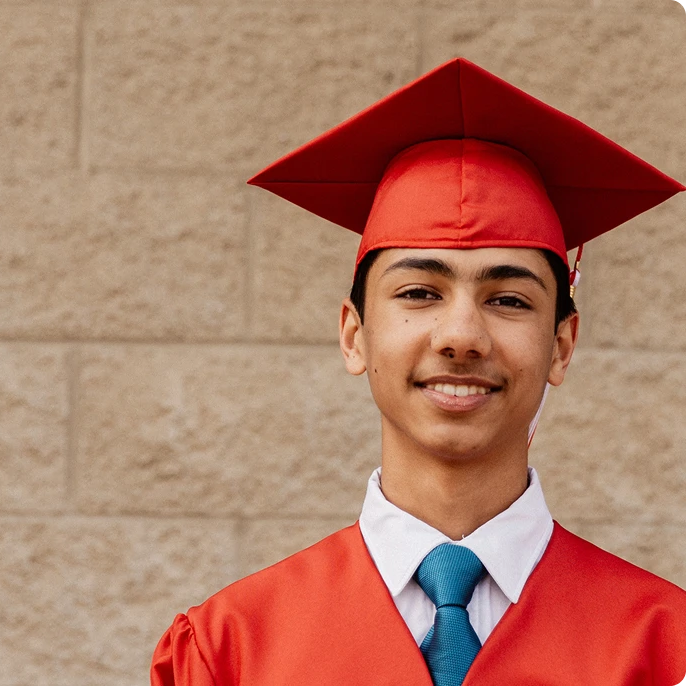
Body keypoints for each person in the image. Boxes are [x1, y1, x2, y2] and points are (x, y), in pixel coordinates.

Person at [150, 57, 686, 685]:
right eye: (419, 293)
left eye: (509, 300)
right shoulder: (230, 651)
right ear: (354, 335)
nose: (461, 336)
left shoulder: (665, 648)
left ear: (562, 346)